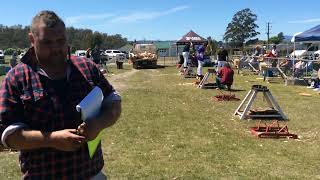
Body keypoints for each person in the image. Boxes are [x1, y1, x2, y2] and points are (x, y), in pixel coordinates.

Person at [0, 10, 121, 179]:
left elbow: (113, 102)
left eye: (61, 40)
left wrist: (98, 123)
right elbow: (8, 136)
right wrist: (51, 139)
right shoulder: (17, 78)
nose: (56, 48)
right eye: (47, 42)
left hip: (91, 174)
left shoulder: (86, 67)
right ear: (32, 39)